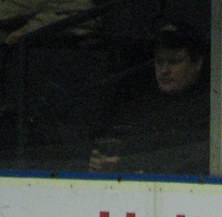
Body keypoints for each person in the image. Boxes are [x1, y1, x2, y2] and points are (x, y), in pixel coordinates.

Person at [88, 21, 209, 177]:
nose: (164, 70)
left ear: (197, 63)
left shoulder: (215, 112)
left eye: (174, 62)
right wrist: (104, 168)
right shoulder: (136, 109)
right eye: (159, 61)